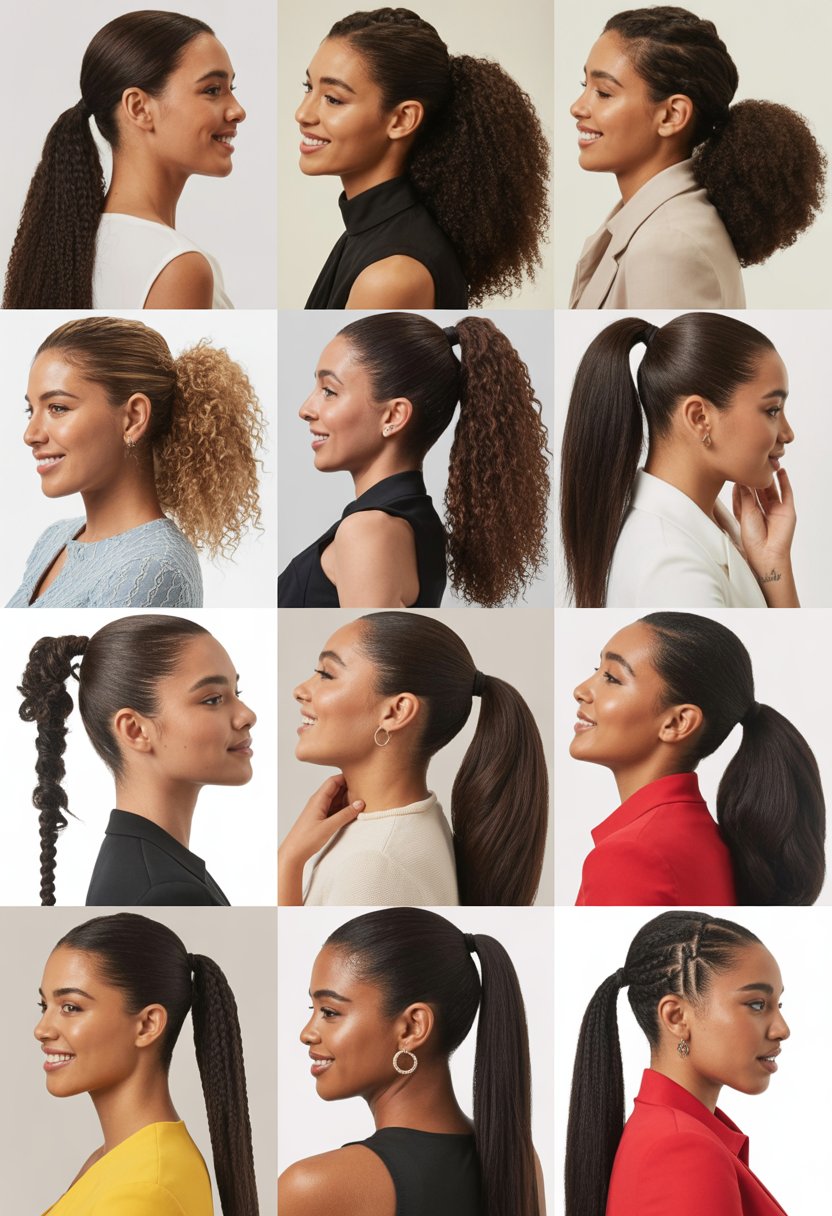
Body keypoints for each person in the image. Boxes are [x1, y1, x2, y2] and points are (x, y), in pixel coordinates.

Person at [279, 906, 545, 1216]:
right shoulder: (519, 1161)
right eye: (311, 1008)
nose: (307, 1033)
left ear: (411, 1027)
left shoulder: (313, 1188)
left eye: (330, 1012)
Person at [278, 312, 549, 608]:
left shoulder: (369, 532)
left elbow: (375, 648)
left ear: (393, 416)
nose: (305, 409)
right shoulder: (414, 521)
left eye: (329, 391)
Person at [278, 612, 548, 906]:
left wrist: (287, 862)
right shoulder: (410, 824)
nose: (300, 691)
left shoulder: (374, 865)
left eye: (326, 675)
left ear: (396, 712)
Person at [569, 6, 825, 308]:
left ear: (672, 115)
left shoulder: (666, 246)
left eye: (604, 92)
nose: (577, 107)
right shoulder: (655, 224)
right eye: (585, 86)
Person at [298, 7, 549, 308]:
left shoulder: (391, 275)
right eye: (308, 88)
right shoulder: (370, 236)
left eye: (333, 99)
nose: (302, 113)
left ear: (402, 119)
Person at [569, 612, 825, 906]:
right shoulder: (705, 839)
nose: (581, 690)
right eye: (596, 668)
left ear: (678, 722)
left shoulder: (630, 854)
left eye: (612, 677)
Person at [7, 316, 263, 609]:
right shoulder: (55, 539)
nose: (31, 435)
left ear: (133, 418)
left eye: (58, 408)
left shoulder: (152, 568)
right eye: (31, 410)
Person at [5, 10, 245, 310]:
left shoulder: (65, 247)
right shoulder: (177, 266)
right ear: (139, 107)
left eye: (231, 89)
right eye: (212, 90)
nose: (237, 110)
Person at [560, 312, 799, 608]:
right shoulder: (672, 567)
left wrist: (773, 563)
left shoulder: (695, 528)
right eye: (773, 410)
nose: (788, 434)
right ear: (700, 418)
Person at [19, 614, 257, 907]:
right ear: (135, 730)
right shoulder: (166, 890)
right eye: (212, 699)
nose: (247, 715)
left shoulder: (144, 864)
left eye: (237, 692)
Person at [565, 910, 790, 1215]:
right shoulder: (685, 1150)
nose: (782, 1029)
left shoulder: (671, 1133)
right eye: (756, 1004)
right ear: (676, 1017)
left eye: (778, 1005)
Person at [35, 912, 257, 1215]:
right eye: (44, 1006)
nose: (42, 1029)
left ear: (147, 1025)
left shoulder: (143, 1192)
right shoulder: (120, 1158)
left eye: (71, 1007)